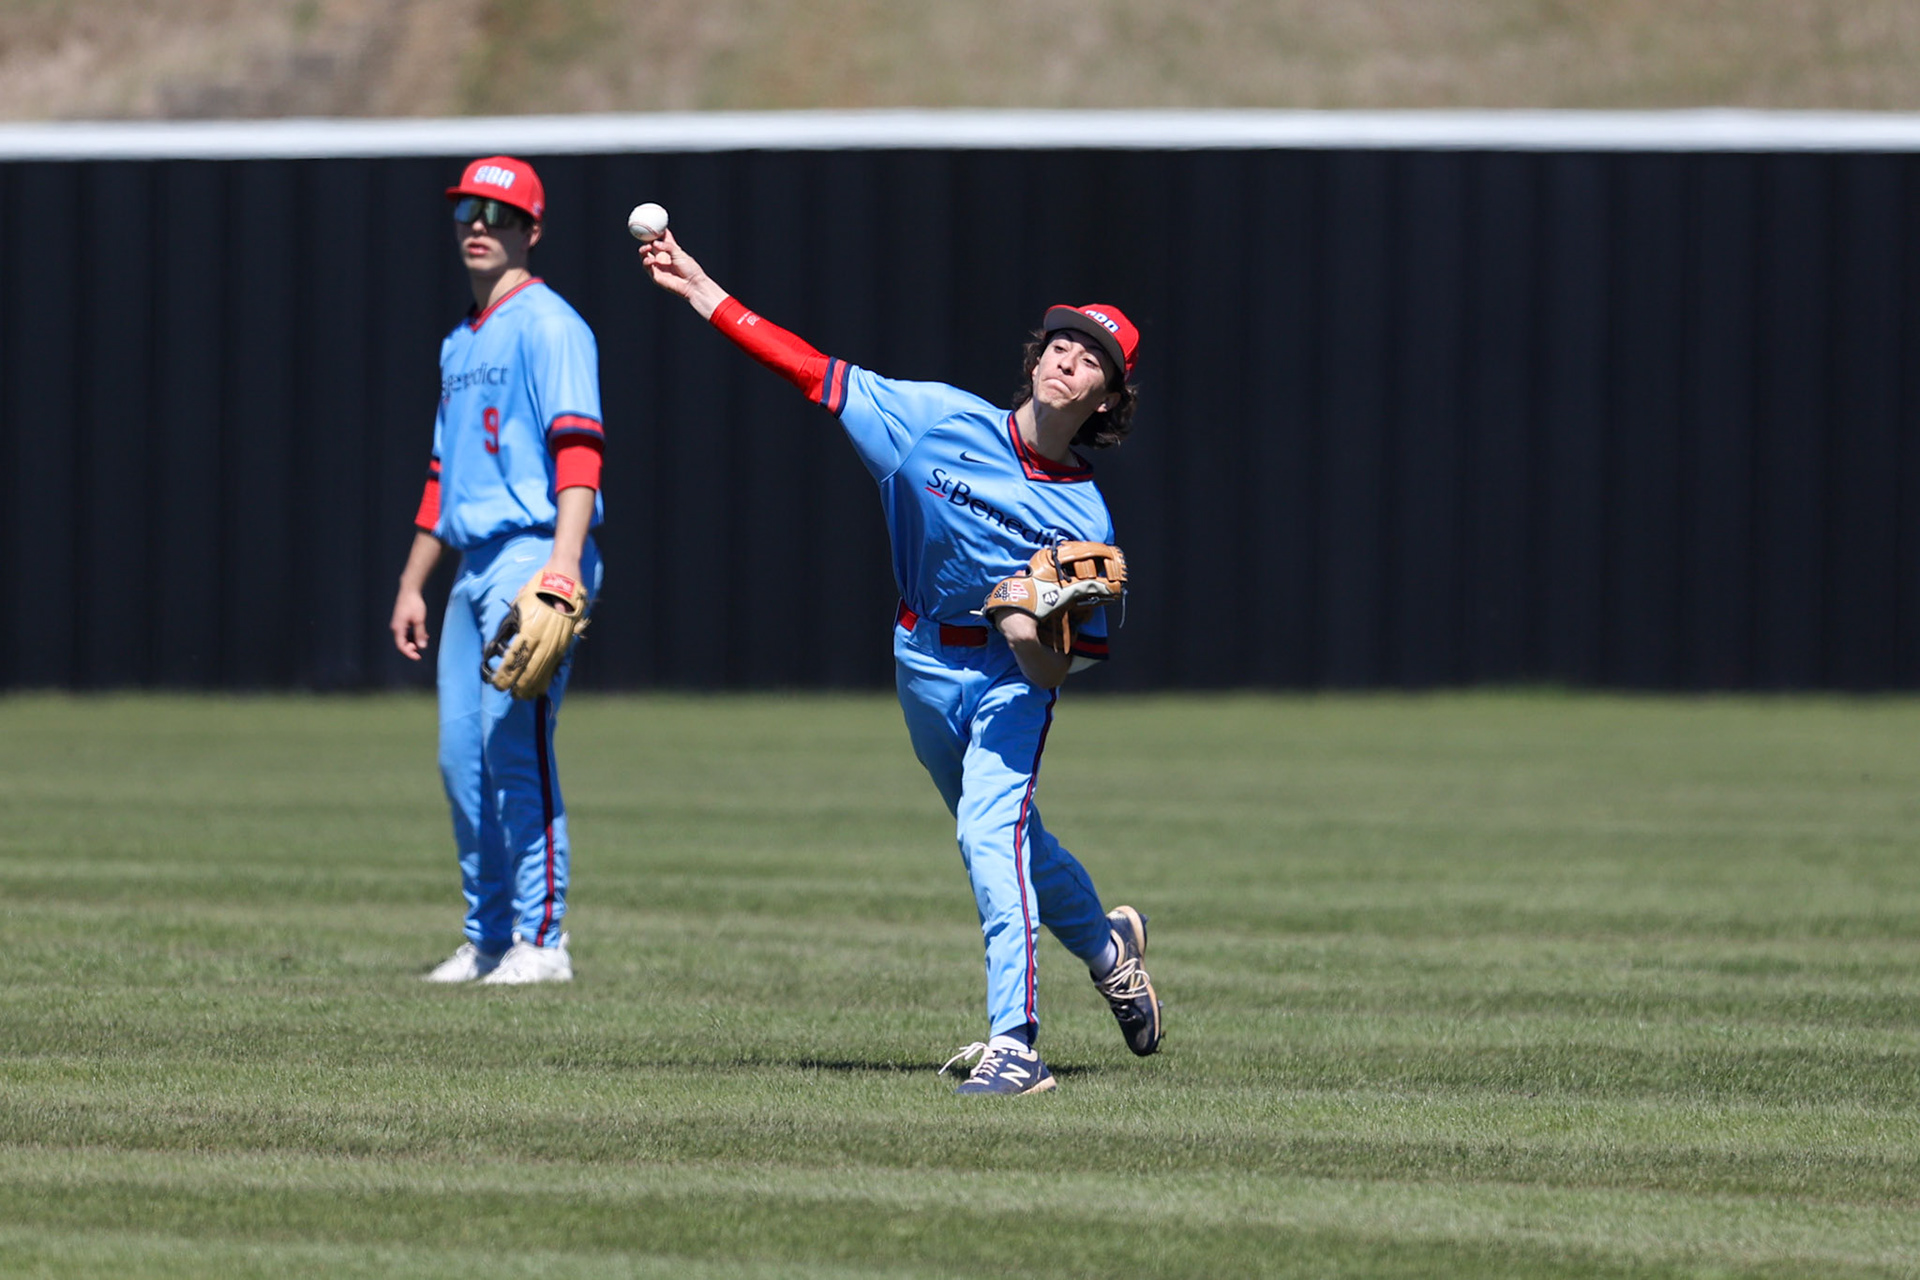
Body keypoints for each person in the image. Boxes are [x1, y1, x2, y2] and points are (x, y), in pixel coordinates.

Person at [640, 227, 1162, 1093]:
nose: (1069, 358)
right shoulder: (931, 421)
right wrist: (703, 291)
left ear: (1108, 399)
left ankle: (1017, 1045)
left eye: (1092, 357)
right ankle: (1110, 950)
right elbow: (808, 369)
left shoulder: (1089, 524)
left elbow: (1058, 671)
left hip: (1007, 683)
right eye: (1062, 341)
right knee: (1017, 844)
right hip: (920, 659)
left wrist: (1025, 629)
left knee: (987, 835)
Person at [390, 155, 606, 985]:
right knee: (459, 755)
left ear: (531, 230)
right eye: (466, 212)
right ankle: (487, 939)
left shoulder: (551, 324)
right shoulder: (461, 339)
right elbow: (443, 477)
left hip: (537, 549)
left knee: (511, 743)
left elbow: (579, 450)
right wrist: (414, 582)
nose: (478, 225)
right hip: (473, 559)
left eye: (498, 213)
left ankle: (542, 942)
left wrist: (561, 567)